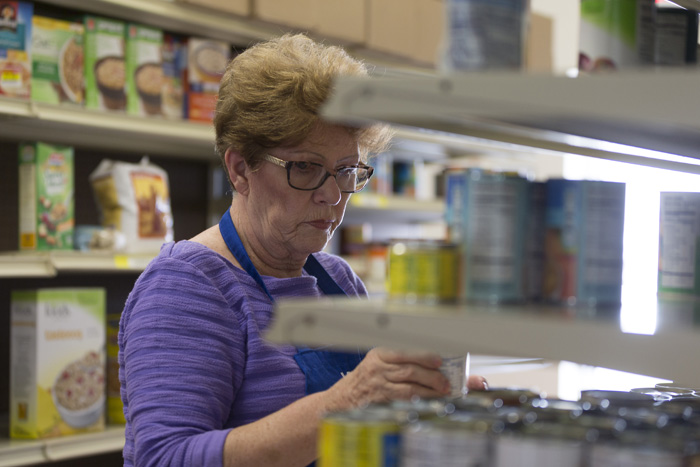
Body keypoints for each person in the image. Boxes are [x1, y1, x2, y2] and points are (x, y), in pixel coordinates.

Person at [118, 33, 487, 467]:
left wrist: (425, 407)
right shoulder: (188, 287)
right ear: (240, 170)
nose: (333, 195)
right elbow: (163, 458)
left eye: (347, 170)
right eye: (306, 168)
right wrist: (351, 398)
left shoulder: (339, 279)